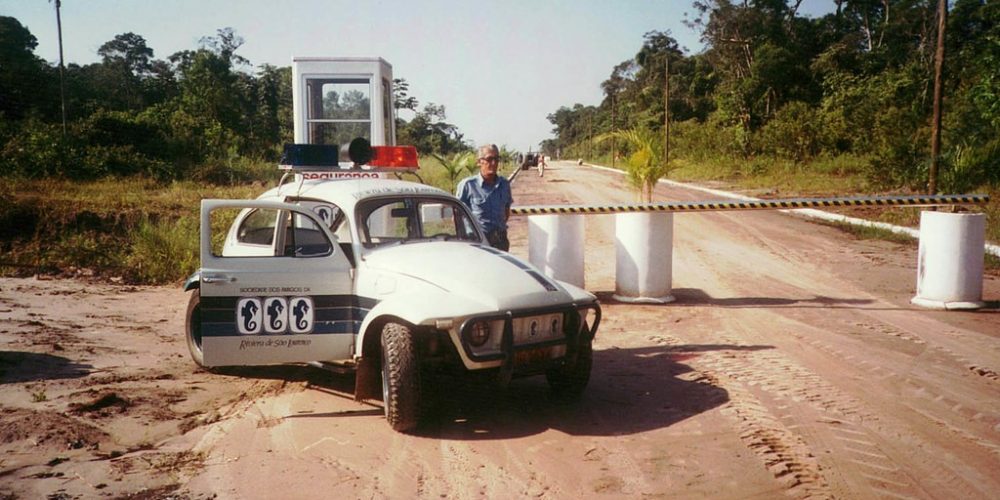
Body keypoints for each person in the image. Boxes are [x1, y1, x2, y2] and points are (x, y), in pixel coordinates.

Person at [456, 144, 513, 251]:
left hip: (500, 241)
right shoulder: (468, 185)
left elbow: (506, 212)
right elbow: (457, 217)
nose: (494, 163)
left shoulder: (504, 184)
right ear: (479, 162)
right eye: (489, 159)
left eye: (496, 159)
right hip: (477, 242)